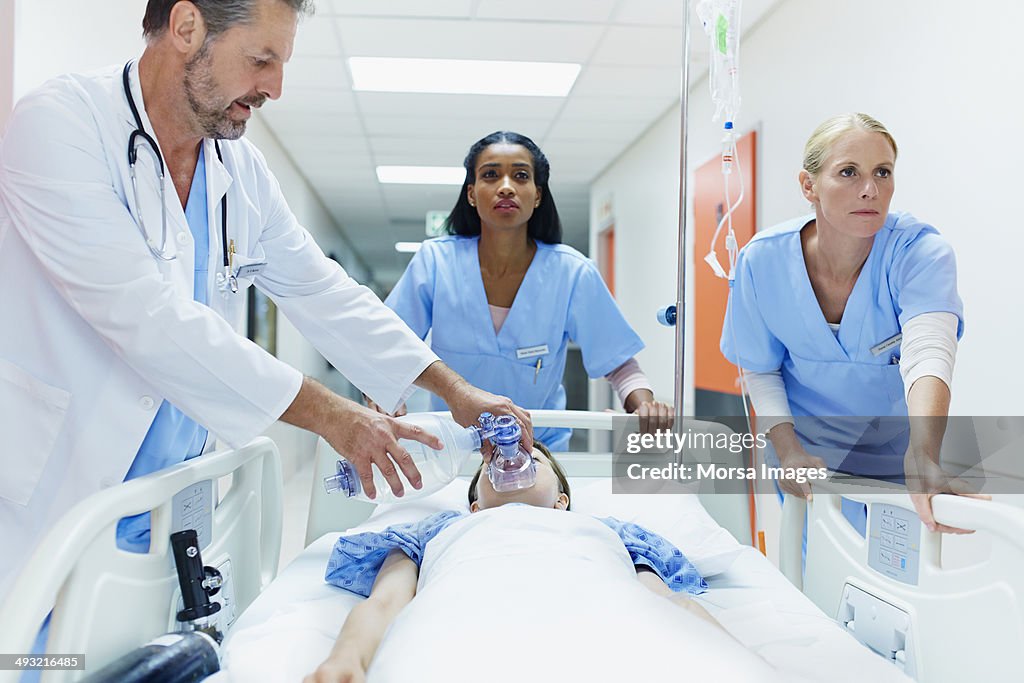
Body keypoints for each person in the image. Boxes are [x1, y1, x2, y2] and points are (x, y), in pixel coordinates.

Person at [0, 0, 533, 612]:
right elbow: (144, 315)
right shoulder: (61, 125)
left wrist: (455, 390)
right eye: (262, 60)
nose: (274, 88)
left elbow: (318, 287)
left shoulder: (239, 169)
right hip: (54, 493)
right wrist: (333, 416)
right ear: (186, 27)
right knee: (35, 659)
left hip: (170, 504)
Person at [720, 113, 988, 534]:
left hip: (897, 459)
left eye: (883, 172)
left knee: (894, 589)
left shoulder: (919, 253)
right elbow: (760, 367)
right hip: (808, 461)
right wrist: (787, 450)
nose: (870, 189)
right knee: (816, 583)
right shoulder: (763, 261)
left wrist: (923, 454)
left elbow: (929, 353)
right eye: (849, 172)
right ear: (809, 186)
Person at [305, 445, 773, 683]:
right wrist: (345, 660)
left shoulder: (610, 532)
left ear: (561, 502)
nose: (512, 459)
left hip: (602, 622)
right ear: (473, 508)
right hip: (463, 625)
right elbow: (386, 603)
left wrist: (748, 662)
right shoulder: (436, 531)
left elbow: (669, 605)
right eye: (494, 462)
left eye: (533, 458)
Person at [381, 131, 671, 450]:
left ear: (537, 195)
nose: (506, 186)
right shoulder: (435, 263)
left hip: (538, 453)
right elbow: (394, 346)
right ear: (472, 194)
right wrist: (385, 397)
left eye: (520, 175)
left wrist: (643, 406)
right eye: (490, 174)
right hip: (453, 451)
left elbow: (618, 361)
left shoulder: (572, 272)